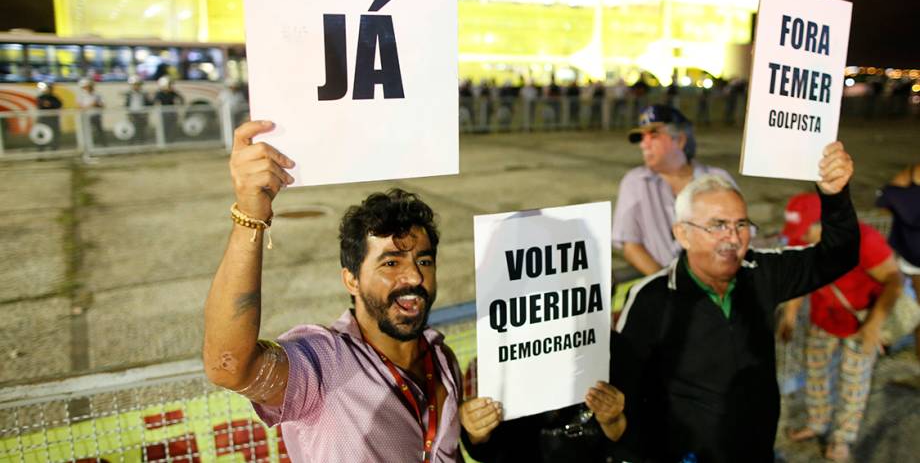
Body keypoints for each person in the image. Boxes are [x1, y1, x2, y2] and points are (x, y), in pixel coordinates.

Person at [202, 120, 462, 462]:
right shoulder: (324, 363)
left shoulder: (442, 359)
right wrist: (250, 215)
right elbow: (229, 365)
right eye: (391, 263)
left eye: (424, 261)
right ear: (351, 279)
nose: (413, 276)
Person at [616, 142, 858, 463]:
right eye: (717, 225)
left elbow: (837, 257)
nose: (733, 237)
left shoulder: (761, 272)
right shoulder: (651, 298)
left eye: (741, 224)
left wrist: (835, 196)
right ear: (683, 234)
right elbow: (626, 395)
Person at [778, 192, 901, 461]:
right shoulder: (804, 242)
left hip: (863, 321)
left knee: (853, 382)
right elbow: (802, 275)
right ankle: (817, 422)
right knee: (816, 373)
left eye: (804, 232)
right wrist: (790, 315)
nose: (799, 239)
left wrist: (874, 324)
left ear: (824, 222)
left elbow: (894, 280)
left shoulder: (865, 240)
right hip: (824, 318)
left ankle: (842, 439)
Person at [459, 333, 631, 463]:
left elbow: (633, 443)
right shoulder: (499, 364)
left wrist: (613, 420)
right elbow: (486, 450)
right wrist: (476, 429)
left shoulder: (611, 348)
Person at [612, 105, 735, 276]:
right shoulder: (634, 183)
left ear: (680, 140)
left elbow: (737, 237)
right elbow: (630, 244)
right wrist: (668, 286)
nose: (643, 145)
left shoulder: (719, 180)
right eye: (642, 138)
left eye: (653, 136)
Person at [876, 163, 920, 364]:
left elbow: (883, 200)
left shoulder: (901, 194)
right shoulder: (906, 191)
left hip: (909, 258)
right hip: (909, 259)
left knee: (905, 304)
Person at [77, 77, 107, 147]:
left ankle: (103, 145)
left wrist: (96, 104)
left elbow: (103, 104)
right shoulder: (81, 95)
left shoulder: (97, 95)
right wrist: (90, 105)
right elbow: (79, 106)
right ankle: (88, 147)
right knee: (87, 132)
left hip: (96, 115)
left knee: (99, 131)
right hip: (86, 117)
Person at [153, 76, 185, 142]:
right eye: (169, 84)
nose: (171, 86)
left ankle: (172, 140)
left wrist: (179, 104)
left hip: (172, 113)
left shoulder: (173, 92)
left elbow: (181, 99)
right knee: (164, 128)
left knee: (172, 128)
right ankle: (165, 141)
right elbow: (155, 101)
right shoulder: (159, 93)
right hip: (164, 114)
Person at [35, 81, 63, 150]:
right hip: (43, 119)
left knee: (55, 135)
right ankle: (41, 150)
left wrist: (50, 104)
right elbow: (40, 106)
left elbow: (58, 105)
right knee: (42, 135)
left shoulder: (54, 98)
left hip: (53, 119)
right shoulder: (40, 98)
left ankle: (54, 149)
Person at [124, 76, 151, 144]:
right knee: (132, 130)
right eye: (134, 85)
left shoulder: (144, 94)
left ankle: (142, 143)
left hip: (142, 114)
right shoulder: (129, 94)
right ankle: (131, 145)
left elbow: (149, 103)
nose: (136, 86)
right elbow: (126, 104)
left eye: (137, 84)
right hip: (133, 114)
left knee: (142, 130)